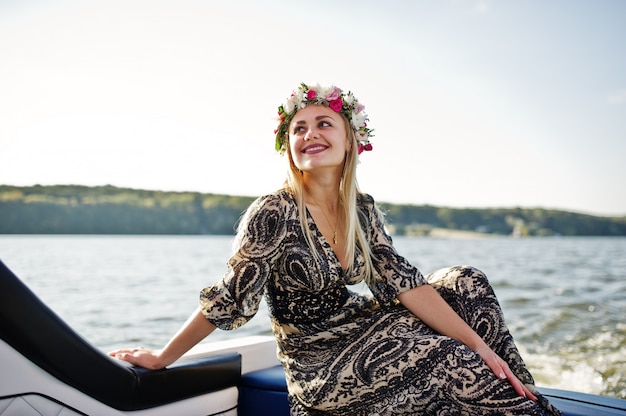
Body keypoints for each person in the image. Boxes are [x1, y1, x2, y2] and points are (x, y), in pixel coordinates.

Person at [110, 83, 563, 415]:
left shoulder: (361, 209)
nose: (310, 134)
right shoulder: (274, 211)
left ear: (350, 142)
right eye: (299, 128)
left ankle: (522, 398)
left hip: (356, 323)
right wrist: (162, 357)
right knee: (451, 356)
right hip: (316, 360)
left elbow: (402, 283)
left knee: (467, 280)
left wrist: (482, 347)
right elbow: (231, 298)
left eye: (324, 123)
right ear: (289, 148)